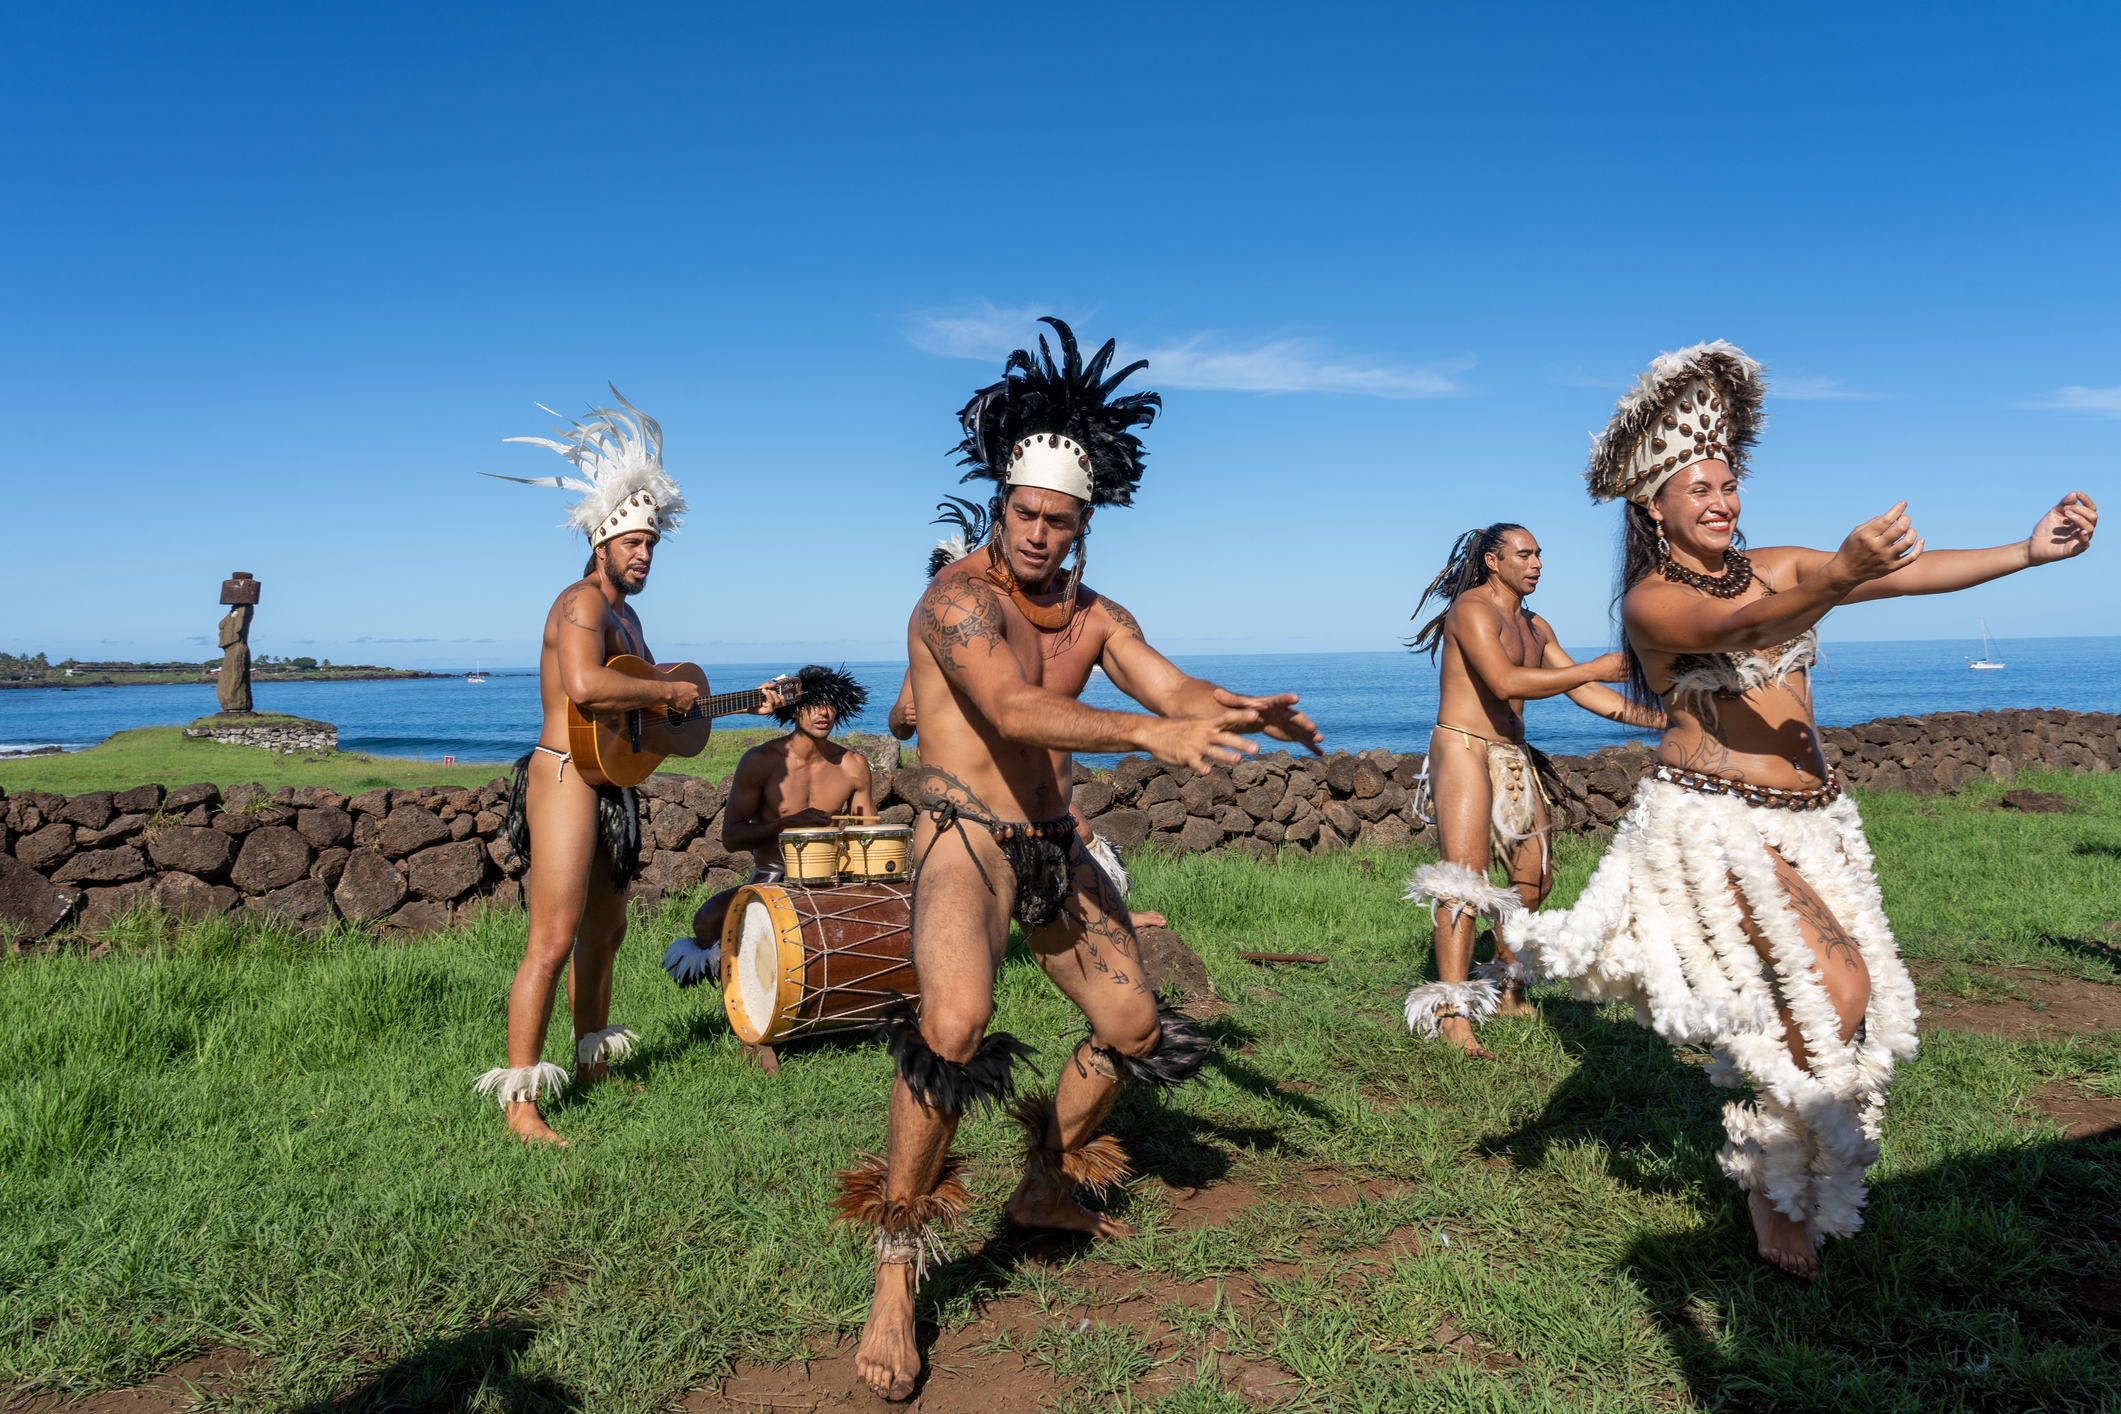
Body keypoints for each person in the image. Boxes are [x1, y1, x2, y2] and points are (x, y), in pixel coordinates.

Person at [1501, 341, 2097, 1276]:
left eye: (1728, 484)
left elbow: (1897, 574)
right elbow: (1741, 629)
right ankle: (1767, 1191)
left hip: (1814, 820)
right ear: (1651, 507)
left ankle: (1781, 1171)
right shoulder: (1653, 604)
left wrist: (2025, 552)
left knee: (1832, 997)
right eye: (1697, 488)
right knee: (1836, 992)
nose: (1720, 501)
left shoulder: (1773, 564)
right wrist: (1834, 574)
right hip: (1716, 825)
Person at [843, 318, 1323, 1400]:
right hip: (965, 837)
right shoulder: (955, 599)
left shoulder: (1100, 612)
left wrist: (1237, 707)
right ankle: (896, 1264)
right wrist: (1149, 734)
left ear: (1086, 523)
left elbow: (1169, 686)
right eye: (1024, 514)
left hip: (1052, 843)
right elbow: (1013, 706)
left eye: (1060, 522)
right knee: (954, 1026)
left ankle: (1042, 1182)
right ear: (998, 501)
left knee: (1133, 1025)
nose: (1038, 537)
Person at [473, 390, 782, 1145]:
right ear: (602, 542)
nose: (643, 555)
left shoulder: (632, 620)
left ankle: (592, 1063)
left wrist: (739, 702)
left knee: (605, 935)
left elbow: (652, 711)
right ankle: (520, 1102)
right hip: (562, 778)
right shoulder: (580, 602)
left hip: (611, 782)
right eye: (632, 543)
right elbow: (586, 686)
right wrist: (671, 687)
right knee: (552, 937)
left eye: (651, 544)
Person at [1400, 525, 1665, 1056]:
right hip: (1464, 748)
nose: (1537, 562)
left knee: (1534, 876)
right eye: (1525, 554)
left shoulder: (1535, 626)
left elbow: (1587, 691)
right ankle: (1452, 1012)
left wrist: (1665, 719)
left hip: (1512, 756)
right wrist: (1593, 667)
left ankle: (1506, 984)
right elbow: (1504, 682)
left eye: (1540, 554)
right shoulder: (1471, 611)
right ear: (1494, 561)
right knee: (1464, 881)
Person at [661, 665, 874, 988]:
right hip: (772, 877)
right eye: (813, 703)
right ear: (793, 707)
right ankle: (745, 997)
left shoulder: (853, 766)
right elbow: (731, 838)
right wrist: (787, 824)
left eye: (831, 704)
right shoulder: (760, 760)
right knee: (706, 920)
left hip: (833, 880)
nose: (823, 712)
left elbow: (869, 838)